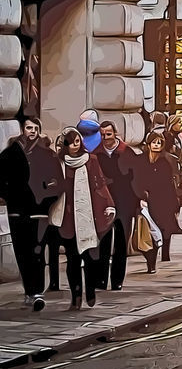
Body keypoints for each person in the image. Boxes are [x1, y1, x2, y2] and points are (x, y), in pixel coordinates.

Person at [49, 128, 115, 310]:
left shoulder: (90, 160)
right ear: (65, 145)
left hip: (87, 215)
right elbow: (52, 183)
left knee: (90, 256)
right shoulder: (59, 162)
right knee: (72, 259)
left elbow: (99, 185)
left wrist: (108, 205)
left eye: (78, 140)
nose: (76, 144)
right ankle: (76, 298)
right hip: (68, 217)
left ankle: (91, 290)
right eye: (72, 141)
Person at [1, 119, 60, 310]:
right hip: (17, 212)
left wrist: (45, 198)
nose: (32, 131)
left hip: (39, 212)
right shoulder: (10, 154)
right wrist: (9, 197)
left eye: (35, 128)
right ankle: (29, 290)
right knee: (22, 252)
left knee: (37, 250)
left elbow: (58, 182)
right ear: (22, 130)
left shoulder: (47, 154)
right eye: (29, 128)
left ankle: (37, 292)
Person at [94, 121, 140, 292]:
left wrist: (136, 204)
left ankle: (117, 281)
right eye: (103, 134)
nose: (106, 137)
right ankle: (101, 279)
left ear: (115, 133)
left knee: (121, 243)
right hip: (104, 204)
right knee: (103, 242)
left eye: (108, 134)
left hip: (124, 203)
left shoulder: (127, 152)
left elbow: (136, 181)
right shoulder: (96, 154)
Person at [135, 132, 182, 269]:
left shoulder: (165, 162)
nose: (156, 145)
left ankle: (160, 257)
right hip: (144, 200)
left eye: (159, 143)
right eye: (154, 142)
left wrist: (175, 206)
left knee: (162, 229)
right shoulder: (140, 160)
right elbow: (135, 180)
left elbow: (169, 184)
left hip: (163, 200)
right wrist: (140, 196)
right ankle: (151, 260)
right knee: (147, 232)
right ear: (148, 144)